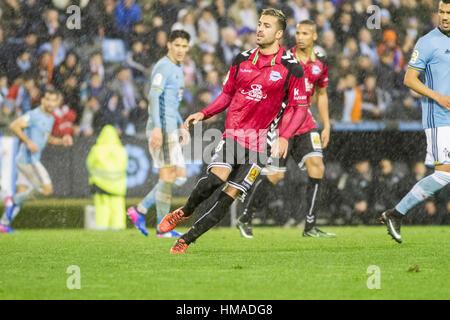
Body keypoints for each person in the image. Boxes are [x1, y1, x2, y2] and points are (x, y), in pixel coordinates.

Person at [158, 8, 305, 254]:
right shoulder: (241, 59)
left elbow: (299, 107)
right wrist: (203, 113)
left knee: (229, 196)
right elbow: (227, 94)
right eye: (259, 23)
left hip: (261, 144)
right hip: (235, 135)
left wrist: (285, 136)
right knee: (215, 179)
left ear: (279, 33)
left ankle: (186, 239)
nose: (260, 28)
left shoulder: (292, 68)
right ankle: (184, 212)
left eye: (267, 25)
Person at [236, 20, 335, 238]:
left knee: (317, 166)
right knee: (276, 176)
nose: (300, 37)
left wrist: (326, 125)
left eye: (305, 33)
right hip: (280, 126)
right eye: (298, 32)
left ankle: (310, 226)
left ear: (314, 36)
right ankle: (246, 216)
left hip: (305, 122)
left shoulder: (321, 63)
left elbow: (322, 94)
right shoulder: (283, 60)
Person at [381, 0, 450, 243]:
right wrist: (438, 97)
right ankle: (396, 213)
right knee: (444, 175)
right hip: (439, 118)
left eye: (449, 13)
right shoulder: (428, 42)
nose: (445, 17)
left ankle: (395, 213)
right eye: (442, 12)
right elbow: (410, 80)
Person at [126, 30, 191, 238]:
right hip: (162, 128)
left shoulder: (178, 68)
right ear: (169, 45)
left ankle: (142, 210)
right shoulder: (163, 66)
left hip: (171, 127)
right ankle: (161, 229)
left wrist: (181, 125)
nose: (181, 49)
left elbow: (171, 103)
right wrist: (156, 128)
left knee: (178, 177)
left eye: (184, 46)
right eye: (177, 45)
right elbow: (154, 97)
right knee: (168, 176)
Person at [0, 89, 73, 233]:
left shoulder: (50, 118)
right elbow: (14, 125)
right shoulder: (34, 115)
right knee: (47, 189)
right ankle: (12, 199)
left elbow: (47, 139)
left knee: (24, 192)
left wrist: (61, 141)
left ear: (57, 102)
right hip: (29, 160)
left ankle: (4, 223)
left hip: (25, 159)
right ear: (43, 100)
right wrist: (28, 142)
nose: (51, 103)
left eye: (54, 100)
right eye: (48, 99)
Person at [86, 125, 128, 230]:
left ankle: (102, 227)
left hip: (100, 185)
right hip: (117, 187)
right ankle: (118, 227)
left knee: (102, 208)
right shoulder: (121, 151)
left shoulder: (96, 150)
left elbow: (89, 165)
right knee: (117, 208)